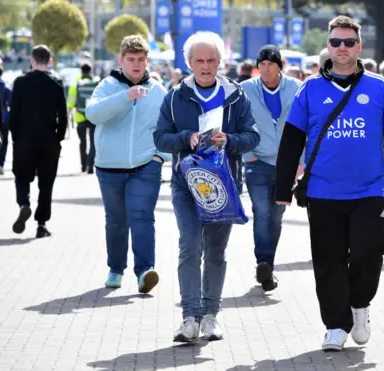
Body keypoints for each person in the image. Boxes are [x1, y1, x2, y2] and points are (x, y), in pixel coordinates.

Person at [275, 15, 384, 351]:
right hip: (322, 192)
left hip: (368, 191)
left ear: (359, 46)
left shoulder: (379, 87)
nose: (342, 48)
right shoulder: (310, 89)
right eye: (336, 42)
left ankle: (359, 305)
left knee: (369, 253)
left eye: (349, 42)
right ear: (328, 46)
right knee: (328, 260)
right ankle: (335, 325)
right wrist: (281, 188)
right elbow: (292, 140)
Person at [154, 31, 260, 343]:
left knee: (215, 250)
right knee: (190, 246)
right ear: (188, 63)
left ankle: (211, 316)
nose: (205, 65)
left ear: (220, 62)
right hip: (185, 185)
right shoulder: (174, 97)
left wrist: (230, 141)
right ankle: (189, 317)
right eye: (199, 60)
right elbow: (160, 137)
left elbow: (252, 136)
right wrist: (185, 138)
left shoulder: (236, 95)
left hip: (223, 187)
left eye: (211, 59)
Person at [85, 35, 168, 293]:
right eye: (131, 60)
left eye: (141, 60)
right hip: (110, 167)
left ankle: (145, 272)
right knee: (117, 220)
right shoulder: (107, 86)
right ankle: (115, 268)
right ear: (121, 60)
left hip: (146, 165)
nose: (136, 64)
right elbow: (93, 114)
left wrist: (160, 157)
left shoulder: (158, 91)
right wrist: (126, 96)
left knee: (142, 216)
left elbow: (169, 127)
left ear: (147, 61)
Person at [240, 45, 302, 292]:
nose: (265, 69)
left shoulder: (297, 88)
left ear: (280, 66)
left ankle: (269, 265)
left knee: (276, 216)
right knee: (262, 211)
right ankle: (263, 262)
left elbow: (308, 125)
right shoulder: (245, 89)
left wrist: (302, 161)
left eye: (270, 64)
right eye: (261, 64)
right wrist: (247, 155)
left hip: (287, 164)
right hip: (258, 162)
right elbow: (235, 122)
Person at [9, 45, 67, 238]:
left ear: (32, 60)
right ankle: (41, 224)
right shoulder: (56, 84)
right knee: (46, 183)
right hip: (48, 140)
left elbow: (13, 114)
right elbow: (63, 116)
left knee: (22, 176)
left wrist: (16, 136)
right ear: (49, 61)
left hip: (25, 139)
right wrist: (58, 138)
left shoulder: (20, 82)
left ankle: (24, 204)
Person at [68, 61, 100, 174]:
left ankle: (83, 165)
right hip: (93, 116)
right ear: (90, 70)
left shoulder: (76, 84)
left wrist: (69, 112)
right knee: (93, 142)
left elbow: (71, 101)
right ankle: (90, 165)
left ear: (81, 71)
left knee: (82, 142)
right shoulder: (96, 82)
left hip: (80, 116)